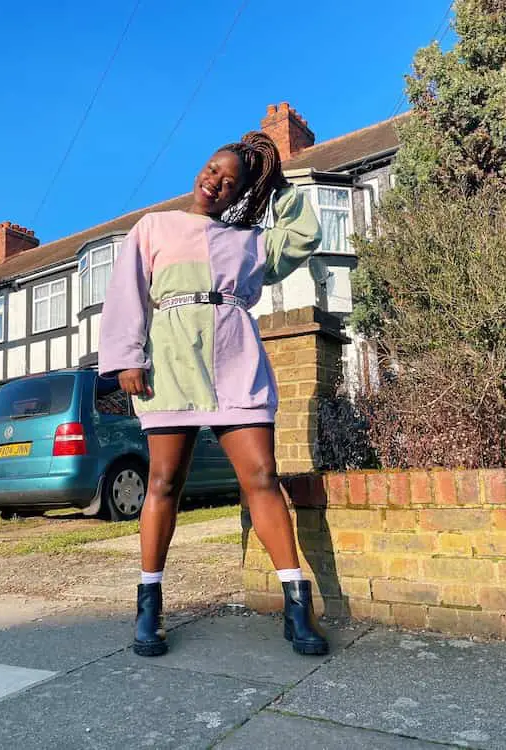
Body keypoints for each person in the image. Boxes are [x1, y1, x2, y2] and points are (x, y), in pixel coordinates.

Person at [99, 131, 328, 657]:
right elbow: (127, 291)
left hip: (234, 358)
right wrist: (127, 357)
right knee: (163, 481)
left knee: (262, 477)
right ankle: (149, 604)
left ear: (241, 192)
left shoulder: (250, 242)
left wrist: (280, 185)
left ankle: (297, 603)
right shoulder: (154, 226)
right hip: (172, 359)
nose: (215, 180)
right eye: (211, 168)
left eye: (229, 179)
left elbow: (302, 235)